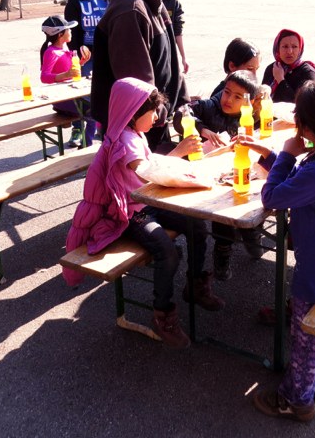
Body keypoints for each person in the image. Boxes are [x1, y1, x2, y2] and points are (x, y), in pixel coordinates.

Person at [63, 77, 223, 348]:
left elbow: (149, 166)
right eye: (152, 112)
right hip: (131, 214)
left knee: (196, 225)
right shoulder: (124, 141)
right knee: (166, 251)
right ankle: (163, 314)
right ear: (133, 112)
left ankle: (195, 285)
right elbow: (148, 171)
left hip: (150, 203)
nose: (157, 117)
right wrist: (180, 155)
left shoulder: (134, 133)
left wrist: (180, 161)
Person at [237, 81, 315, 422]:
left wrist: (287, 154)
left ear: (304, 125)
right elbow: (299, 182)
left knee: (306, 338)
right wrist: (270, 155)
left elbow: (272, 197)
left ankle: (297, 399)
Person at [91, 0, 188, 151]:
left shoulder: (152, 2)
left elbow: (170, 59)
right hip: (134, 126)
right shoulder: (131, 10)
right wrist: (157, 112)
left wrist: (182, 101)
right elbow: (136, 83)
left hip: (152, 119)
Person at [172, 70, 264, 279]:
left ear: (249, 102)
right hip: (207, 175)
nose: (228, 99)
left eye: (237, 97)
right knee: (224, 210)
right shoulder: (210, 106)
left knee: (252, 197)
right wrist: (202, 129)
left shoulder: (251, 117)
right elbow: (181, 113)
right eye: (227, 92)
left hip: (239, 171)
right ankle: (223, 249)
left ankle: (252, 231)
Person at [63, 0, 107, 147]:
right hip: (84, 55)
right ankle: (77, 129)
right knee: (82, 95)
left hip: (105, 53)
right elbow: (70, 31)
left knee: (104, 91)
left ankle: (101, 127)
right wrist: (77, 50)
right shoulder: (75, 0)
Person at [39, 15, 95, 148]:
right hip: (63, 101)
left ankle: (87, 144)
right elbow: (44, 77)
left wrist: (81, 63)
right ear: (60, 34)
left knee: (97, 105)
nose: (71, 31)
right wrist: (66, 74)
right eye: (68, 29)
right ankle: (87, 147)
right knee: (95, 112)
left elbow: (69, 71)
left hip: (71, 96)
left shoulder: (64, 48)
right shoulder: (51, 52)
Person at [260, 29, 315, 103]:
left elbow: (304, 103)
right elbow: (262, 98)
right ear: (277, 49)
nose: (290, 51)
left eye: (294, 47)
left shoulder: (307, 72)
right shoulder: (272, 68)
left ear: (300, 49)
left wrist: (280, 79)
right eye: (285, 46)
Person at [161, 0, 189, 74]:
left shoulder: (172, 2)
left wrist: (183, 57)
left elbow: (177, 31)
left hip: (168, 53)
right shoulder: (142, 0)